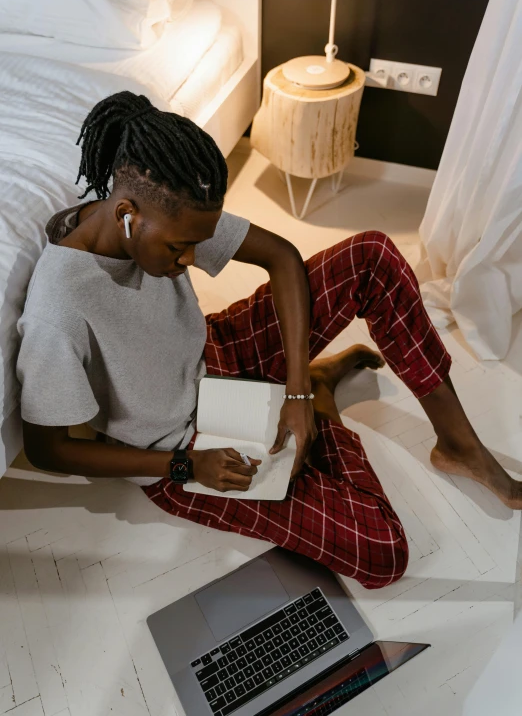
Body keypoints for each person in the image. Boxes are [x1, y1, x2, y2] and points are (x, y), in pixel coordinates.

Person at [17, 91, 522, 592]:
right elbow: (51, 451)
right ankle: (323, 400)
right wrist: (184, 465)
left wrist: (294, 390)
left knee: (372, 256)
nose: (192, 259)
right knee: (383, 553)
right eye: (180, 248)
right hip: (187, 446)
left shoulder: (166, 205)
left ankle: (457, 444)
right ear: (126, 213)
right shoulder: (59, 306)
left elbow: (281, 256)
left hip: (215, 348)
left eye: (198, 242)